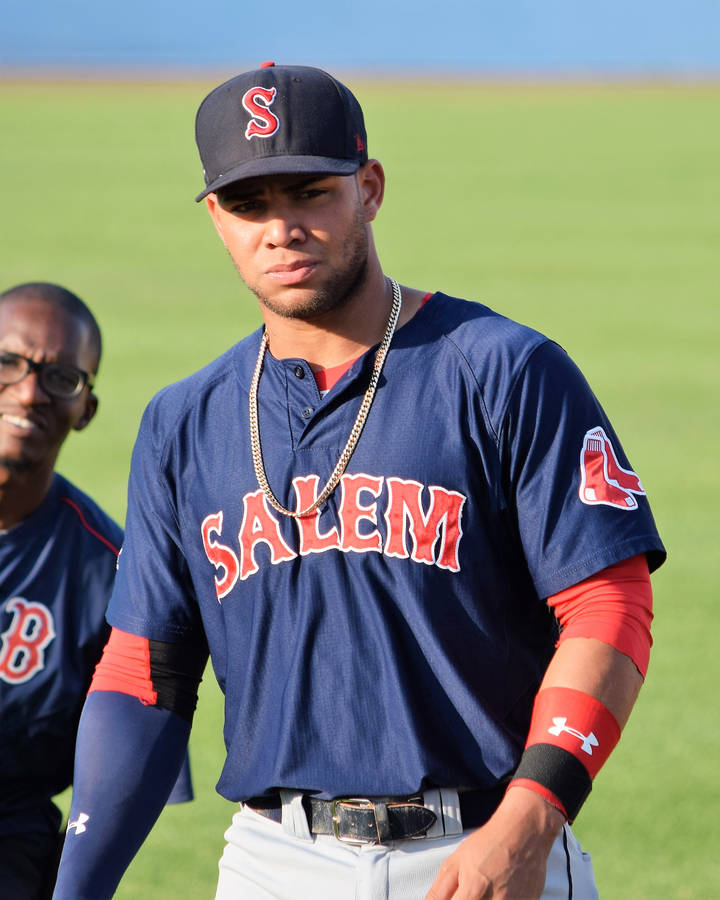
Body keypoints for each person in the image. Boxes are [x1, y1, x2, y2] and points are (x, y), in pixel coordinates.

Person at [53, 64, 665, 900]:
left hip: (486, 842)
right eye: (248, 205)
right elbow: (143, 674)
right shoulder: (184, 422)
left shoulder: (503, 372)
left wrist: (530, 821)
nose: (281, 228)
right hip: (276, 860)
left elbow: (609, 604)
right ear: (215, 220)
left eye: (309, 192)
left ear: (369, 189)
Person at [0, 282, 192, 900]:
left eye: (61, 377)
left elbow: (128, 774)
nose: (29, 391)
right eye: (8, 363)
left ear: (86, 408)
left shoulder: (113, 572)